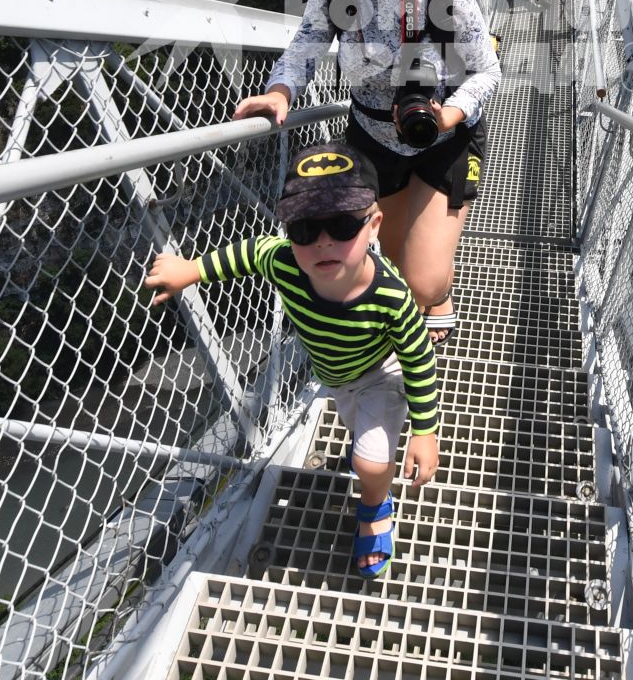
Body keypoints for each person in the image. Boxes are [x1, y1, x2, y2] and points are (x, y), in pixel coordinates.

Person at [234, 0, 500, 348]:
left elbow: (488, 70)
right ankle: (422, 285)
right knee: (394, 263)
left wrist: (453, 112)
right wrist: (281, 91)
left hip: (442, 134)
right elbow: (307, 44)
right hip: (373, 136)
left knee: (423, 281)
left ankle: (438, 294)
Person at [144, 143, 436, 578]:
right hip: (335, 375)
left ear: (374, 225)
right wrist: (192, 269)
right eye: (303, 228)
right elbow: (248, 253)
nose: (323, 241)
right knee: (359, 433)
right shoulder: (284, 262)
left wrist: (426, 432)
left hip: (380, 374)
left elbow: (418, 359)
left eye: (341, 224)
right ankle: (373, 464)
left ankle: (375, 507)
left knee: (370, 461)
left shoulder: (392, 298)